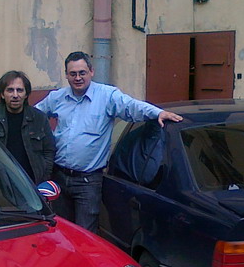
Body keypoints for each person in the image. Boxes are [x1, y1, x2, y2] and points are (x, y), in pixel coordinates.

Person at [34, 51, 182, 232]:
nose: (78, 78)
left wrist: (158, 113)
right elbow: (34, 117)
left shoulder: (107, 96)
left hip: (88, 182)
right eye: (73, 74)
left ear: (91, 71)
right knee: (61, 230)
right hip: (58, 177)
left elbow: (131, 106)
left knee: (85, 233)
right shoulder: (57, 97)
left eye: (82, 73)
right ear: (66, 75)